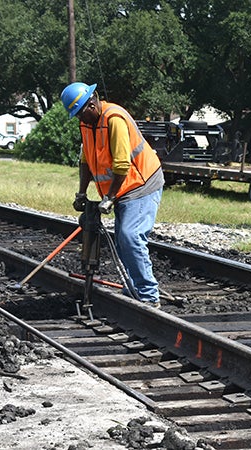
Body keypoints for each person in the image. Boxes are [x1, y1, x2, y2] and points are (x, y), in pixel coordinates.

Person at [61, 82, 165, 308]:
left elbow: (121, 164)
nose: (80, 119)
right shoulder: (87, 124)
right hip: (122, 188)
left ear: (92, 103)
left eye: (81, 113)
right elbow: (85, 160)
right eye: (76, 115)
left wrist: (109, 197)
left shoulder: (114, 119)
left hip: (141, 183)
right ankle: (134, 288)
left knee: (130, 236)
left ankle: (148, 295)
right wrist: (81, 192)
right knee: (122, 240)